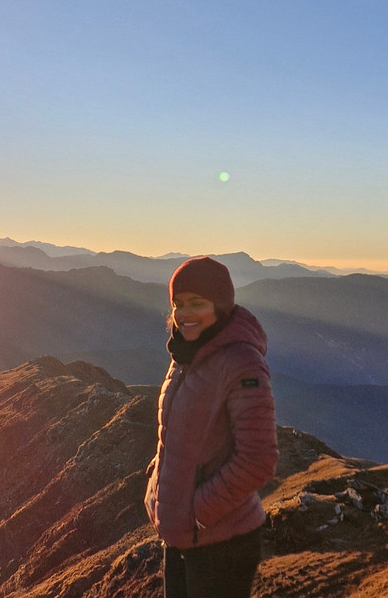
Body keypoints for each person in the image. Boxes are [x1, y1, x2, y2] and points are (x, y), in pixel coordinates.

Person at [144, 256, 278, 598]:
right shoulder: (187, 356)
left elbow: (258, 459)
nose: (185, 314)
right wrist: (157, 485)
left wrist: (197, 513)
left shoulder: (241, 362)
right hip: (183, 536)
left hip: (223, 545)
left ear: (220, 306)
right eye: (178, 305)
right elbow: (177, 435)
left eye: (197, 303)